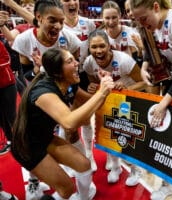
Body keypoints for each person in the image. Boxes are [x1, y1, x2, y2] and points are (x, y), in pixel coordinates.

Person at [11, 47, 115, 199]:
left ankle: (83, 197)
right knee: (67, 189)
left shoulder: (69, 84)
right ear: (58, 72)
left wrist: (104, 87)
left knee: (84, 164)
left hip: (45, 137)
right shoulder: (43, 92)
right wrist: (101, 93)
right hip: (27, 146)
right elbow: (68, 122)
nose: (77, 63)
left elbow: (91, 102)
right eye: (70, 61)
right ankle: (36, 183)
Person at [11, 0, 82, 198]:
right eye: (52, 20)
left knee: (67, 130)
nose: (58, 26)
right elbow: (24, 74)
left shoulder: (70, 39)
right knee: (33, 134)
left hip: (63, 93)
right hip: (37, 97)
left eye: (61, 21)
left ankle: (59, 169)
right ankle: (33, 180)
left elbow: (76, 71)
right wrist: (37, 73)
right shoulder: (25, 40)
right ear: (39, 18)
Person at [129, 0, 172, 199]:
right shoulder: (153, 24)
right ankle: (169, 184)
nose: (141, 23)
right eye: (137, 19)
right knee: (166, 136)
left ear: (156, 7)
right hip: (171, 81)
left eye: (143, 18)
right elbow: (151, 52)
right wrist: (143, 67)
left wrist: (164, 102)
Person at [83, 29, 145, 186]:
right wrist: (91, 86)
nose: (98, 51)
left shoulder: (124, 60)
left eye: (102, 46)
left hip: (129, 99)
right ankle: (116, 167)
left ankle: (136, 170)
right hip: (109, 100)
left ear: (109, 46)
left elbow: (144, 82)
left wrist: (125, 89)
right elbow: (94, 84)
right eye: (94, 47)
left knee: (128, 135)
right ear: (89, 48)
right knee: (109, 132)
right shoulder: (89, 63)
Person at [59, 0, 97, 174]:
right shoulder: (57, 25)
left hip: (82, 75)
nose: (72, 2)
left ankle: (88, 155)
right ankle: (69, 158)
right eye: (67, 0)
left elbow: (95, 49)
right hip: (62, 77)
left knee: (86, 117)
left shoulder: (88, 24)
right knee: (64, 119)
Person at [0, 39, 16, 155]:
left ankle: (23, 138)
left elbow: (7, 59)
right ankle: (10, 141)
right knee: (1, 116)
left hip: (7, 84)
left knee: (12, 115)